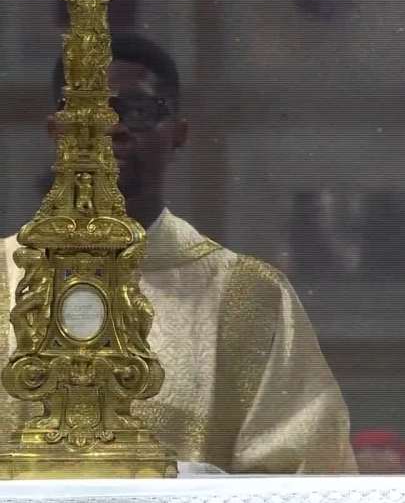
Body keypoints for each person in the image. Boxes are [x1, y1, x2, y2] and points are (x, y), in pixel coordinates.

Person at [0, 33, 357, 474]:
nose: (112, 128)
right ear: (56, 130)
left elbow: (304, 472)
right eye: (87, 111)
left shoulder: (248, 296)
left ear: (178, 133)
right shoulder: (5, 277)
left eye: (138, 111)